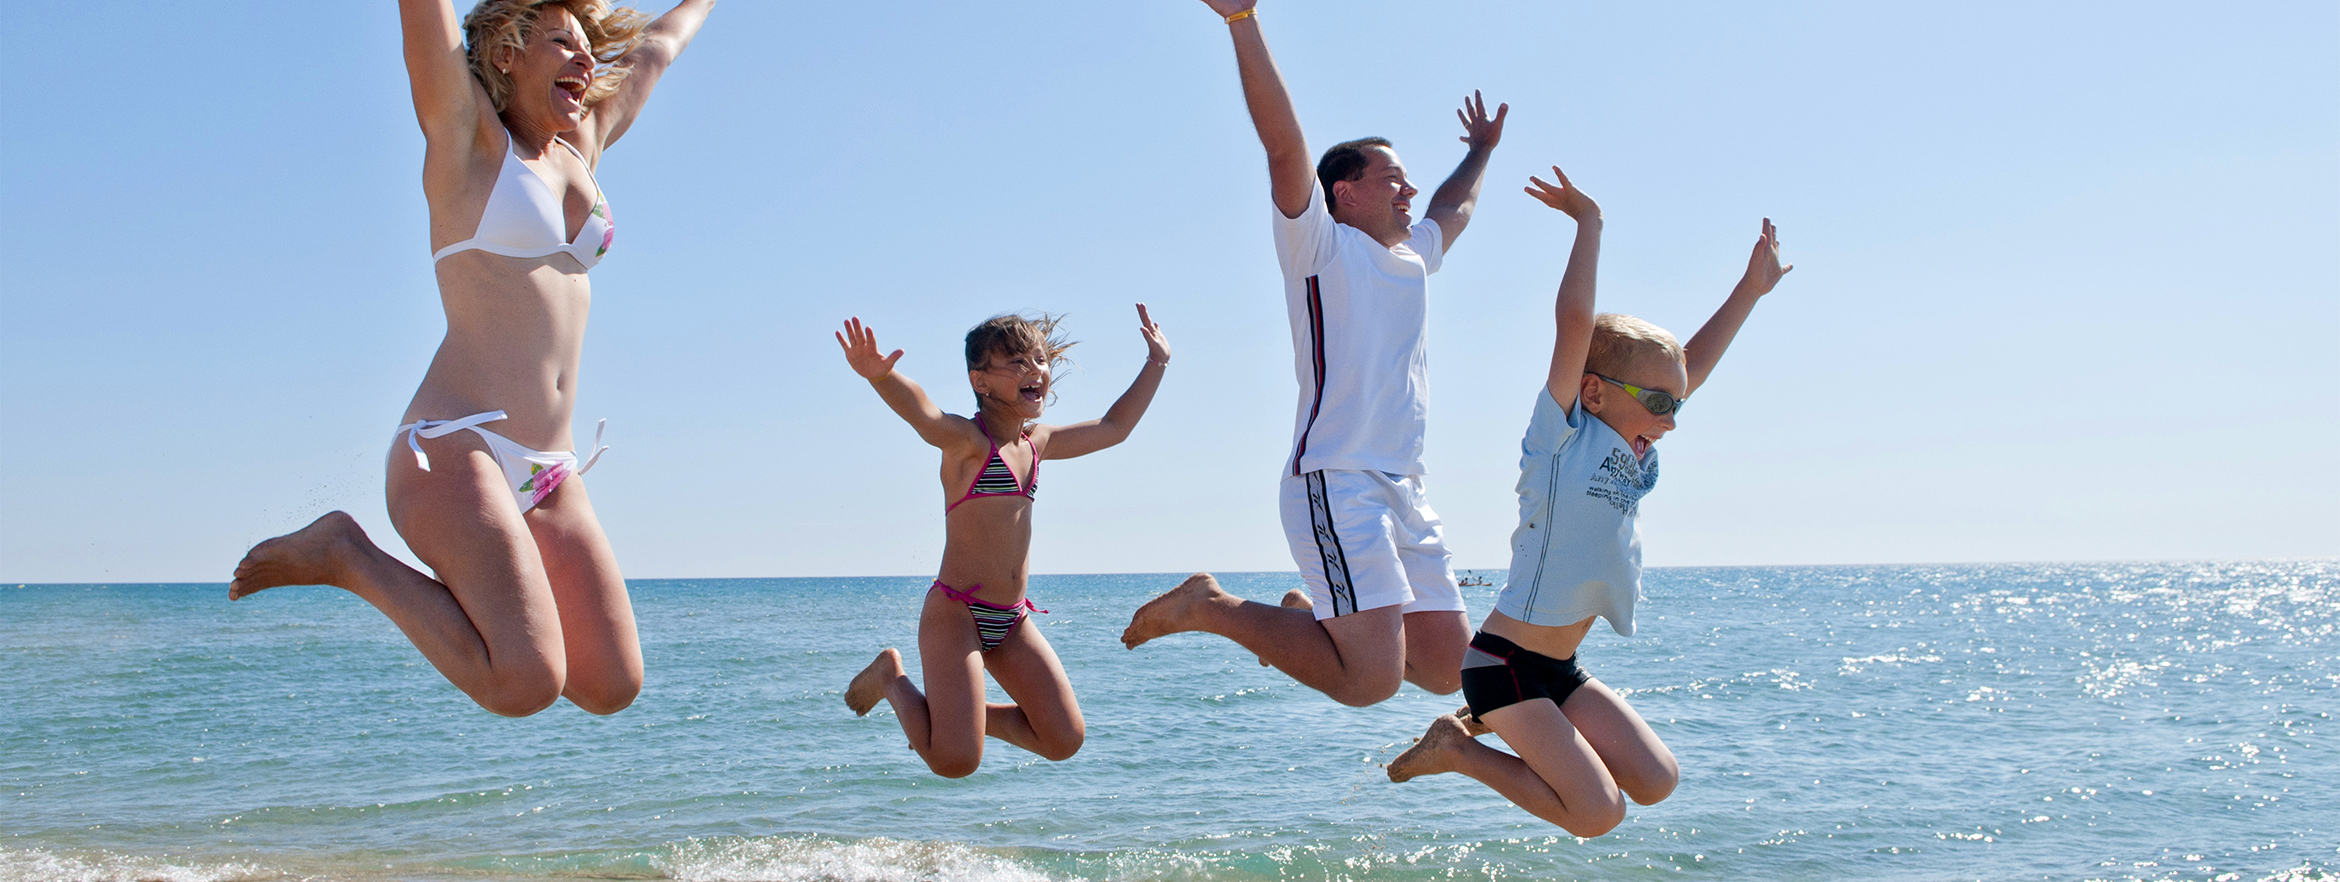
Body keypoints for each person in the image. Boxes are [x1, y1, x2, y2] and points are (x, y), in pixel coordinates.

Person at [227, 0, 717, 717]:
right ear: (506, 55)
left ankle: (486, 594)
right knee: (524, 682)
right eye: (562, 43)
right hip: (456, 448)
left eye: (586, 47)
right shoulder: (466, 137)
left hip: (551, 467)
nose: (586, 61)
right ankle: (345, 554)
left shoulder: (582, 142)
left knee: (612, 684)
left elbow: (659, 48)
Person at [1385, 165, 1793, 837]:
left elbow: (1690, 369)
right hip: (1504, 667)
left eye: (1673, 404)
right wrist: (1589, 224)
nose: (1672, 416)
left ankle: (1481, 729)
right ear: (1595, 391)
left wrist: (1751, 289)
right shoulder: (1560, 441)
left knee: (1657, 781)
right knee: (1598, 813)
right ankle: (1457, 748)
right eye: (1659, 403)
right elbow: (1574, 322)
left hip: (1559, 666)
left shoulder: (1631, 452)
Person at [1120, 0, 1505, 708]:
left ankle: (1311, 623)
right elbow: (1283, 149)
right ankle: (1210, 606)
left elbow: (1456, 206)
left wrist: (1480, 150)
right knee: (1371, 684)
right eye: (1393, 179)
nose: (1409, 191)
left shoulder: (1413, 258)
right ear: (1345, 192)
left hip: (1405, 486)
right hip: (1338, 483)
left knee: (1450, 670)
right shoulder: (1320, 248)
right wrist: (1242, 21)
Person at [840, 307, 1172, 778]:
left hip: (1011, 621)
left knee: (1063, 739)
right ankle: (893, 681)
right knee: (956, 761)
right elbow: (926, 415)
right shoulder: (967, 443)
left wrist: (1156, 363)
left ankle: (960, 719)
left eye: (1038, 359)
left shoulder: (1038, 443)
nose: (1035, 369)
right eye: (1017, 362)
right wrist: (882, 376)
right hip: (956, 616)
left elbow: (1114, 428)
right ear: (981, 382)